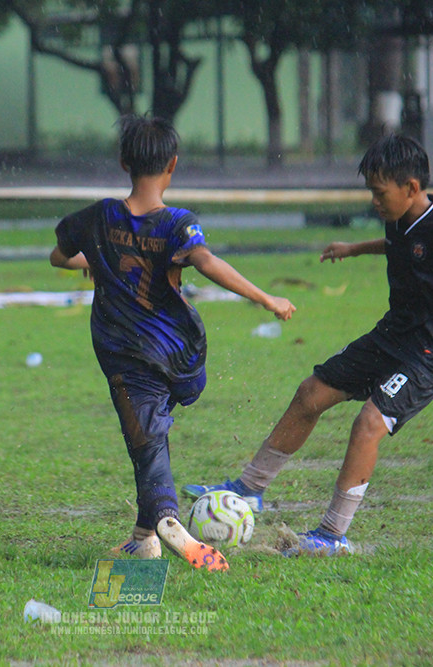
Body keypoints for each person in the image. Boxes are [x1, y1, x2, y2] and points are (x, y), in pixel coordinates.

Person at [183, 133, 433, 556]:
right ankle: (251, 489)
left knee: (368, 424)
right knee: (310, 393)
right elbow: (400, 245)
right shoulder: (399, 218)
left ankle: (332, 535)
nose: (374, 202)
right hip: (391, 337)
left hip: (431, 355)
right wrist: (354, 248)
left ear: (411, 188)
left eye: (379, 194)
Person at [49, 113, 295, 572]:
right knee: (153, 430)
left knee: (145, 444)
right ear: (173, 166)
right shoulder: (178, 223)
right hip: (176, 352)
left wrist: (97, 259)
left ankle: (168, 521)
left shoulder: (98, 217)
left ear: (124, 163)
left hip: (125, 353)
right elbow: (204, 261)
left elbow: (58, 255)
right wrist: (265, 297)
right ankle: (144, 540)